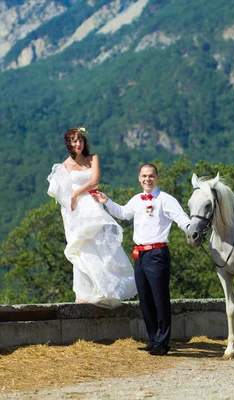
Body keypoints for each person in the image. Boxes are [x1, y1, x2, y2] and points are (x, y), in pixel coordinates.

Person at [92, 163, 190, 356]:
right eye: (144, 176)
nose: (147, 179)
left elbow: (181, 218)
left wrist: (193, 230)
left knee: (160, 299)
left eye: (151, 176)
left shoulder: (166, 199)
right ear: (139, 178)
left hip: (157, 254)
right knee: (145, 299)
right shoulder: (137, 200)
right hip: (139, 254)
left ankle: (162, 342)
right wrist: (106, 201)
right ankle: (153, 339)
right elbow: (122, 213)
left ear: (157, 178)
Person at [47, 126, 137, 307]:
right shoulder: (64, 166)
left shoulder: (93, 158)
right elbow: (56, 190)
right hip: (77, 212)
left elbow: (94, 180)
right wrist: (69, 199)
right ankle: (85, 291)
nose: (78, 144)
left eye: (80, 140)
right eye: (74, 141)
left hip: (93, 206)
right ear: (69, 144)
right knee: (82, 248)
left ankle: (106, 288)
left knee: (101, 245)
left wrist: (76, 193)